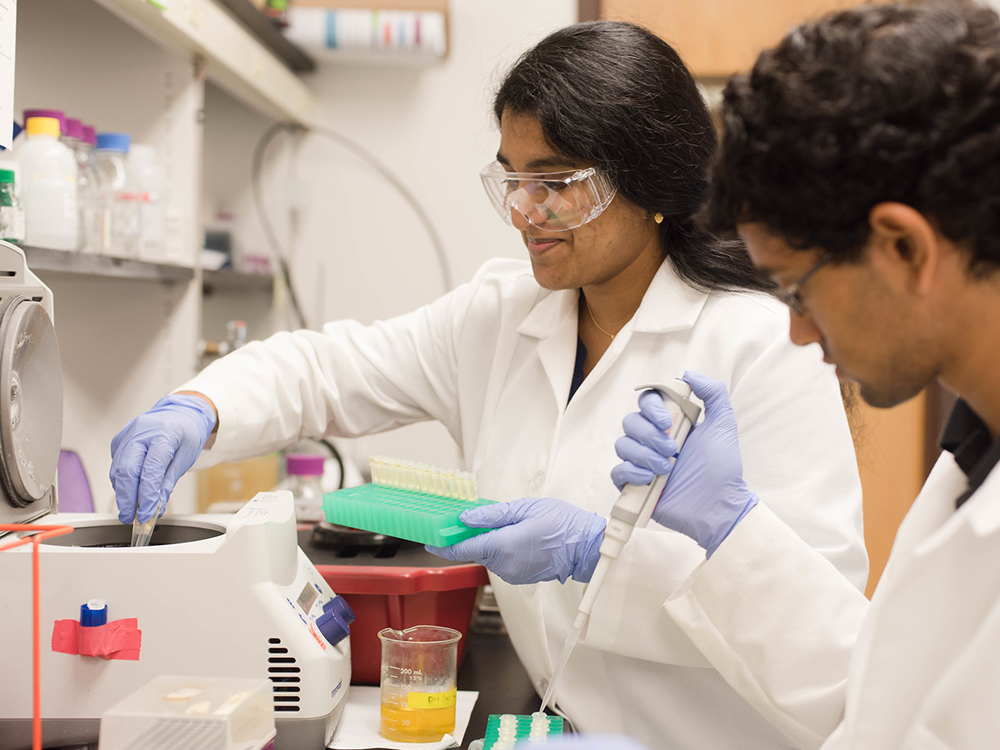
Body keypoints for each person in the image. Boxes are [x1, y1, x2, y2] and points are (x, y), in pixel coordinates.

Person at [109, 22, 867, 749]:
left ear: (651, 183)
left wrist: (592, 553)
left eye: (556, 184)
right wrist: (198, 408)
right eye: (511, 178)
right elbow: (330, 369)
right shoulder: (500, 316)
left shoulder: (763, 342)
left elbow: (819, 630)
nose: (522, 213)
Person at [610, 1, 1000, 748]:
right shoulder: (973, 450)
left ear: (904, 248)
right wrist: (728, 529)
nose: (794, 328)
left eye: (796, 287)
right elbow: (879, 708)